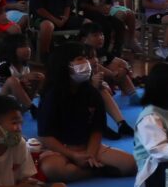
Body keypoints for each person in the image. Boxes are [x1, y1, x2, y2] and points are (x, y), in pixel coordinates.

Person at [35, 49, 136, 177]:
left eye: (85, 58)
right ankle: (96, 171)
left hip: (89, 147)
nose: (86, 62)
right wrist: (73, 155)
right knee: (50, 169)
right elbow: (45, 136)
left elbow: (97, 129)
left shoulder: (92, 93)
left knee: (130, 164)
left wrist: (90, 155)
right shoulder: (52, 96)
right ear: (64, 65)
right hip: (61, 150)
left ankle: (86, 168)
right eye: (80, 59)